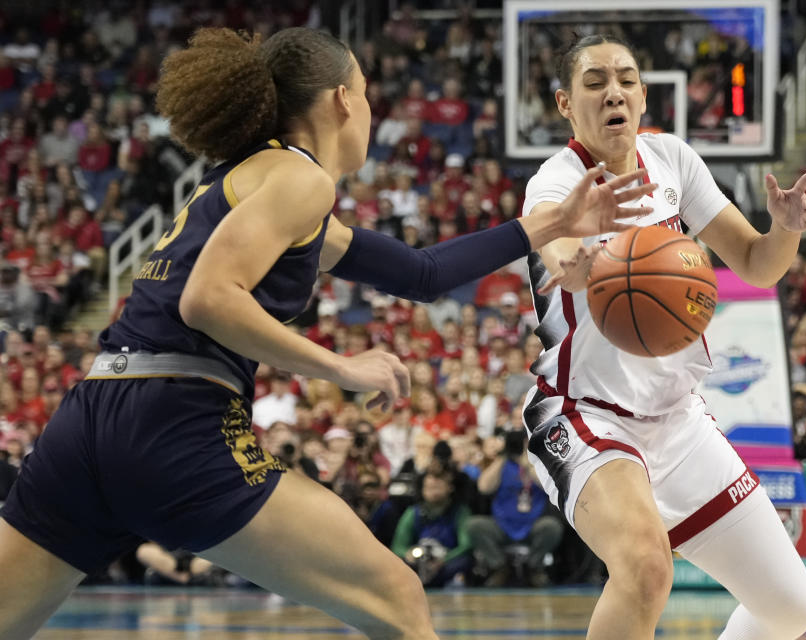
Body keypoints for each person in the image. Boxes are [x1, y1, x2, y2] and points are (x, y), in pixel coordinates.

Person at [0, 28, 651, 640]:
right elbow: (207, 299)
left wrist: (544, 226)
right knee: (397, 596)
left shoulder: (263, 180)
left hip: (89, 419)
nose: (369, 109)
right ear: (343, 99)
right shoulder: (300, 180)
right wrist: (340, 368)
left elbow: (422, 274)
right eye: (366, 93)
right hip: (172, 424)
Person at [520, 35, 806, 640]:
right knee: (646, 571)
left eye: (627, 79)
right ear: (564, 104)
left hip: (677, 418)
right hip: (586, 417)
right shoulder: (553, 185)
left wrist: (783, 229)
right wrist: (575, 264)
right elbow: (557, 250)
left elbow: (759, 266)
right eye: (596, 81)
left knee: (791, 608)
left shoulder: (673, 161)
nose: (615, 92)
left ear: (643, 94)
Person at [467, 428, 564, 587]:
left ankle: (534, 567)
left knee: (552, 527)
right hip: (502, 526)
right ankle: (499, 567)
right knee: (474, 526)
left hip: (533, 525)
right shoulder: (501, 465)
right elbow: (484, 487)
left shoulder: (539, 464)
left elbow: (549, 486)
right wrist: (502, 457)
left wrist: (528, 464)